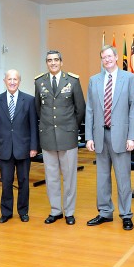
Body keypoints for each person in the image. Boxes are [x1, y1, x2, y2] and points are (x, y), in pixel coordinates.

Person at [85, 45, 134, 231]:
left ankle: (126, 214)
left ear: (116, 57)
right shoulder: (94, 80)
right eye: (103, 57)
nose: (107, 59)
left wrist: (132, 136)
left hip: (121, 136)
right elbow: (90, 110)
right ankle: (105, 212)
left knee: (123, 178)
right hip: (100, 136)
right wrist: (89, 136)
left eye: (109, 56)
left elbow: (133, 109)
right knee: (102, 178)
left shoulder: (129, 78)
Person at [34, 50, 85, 225]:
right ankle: (55, 210)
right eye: (49, 60)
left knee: (69, 177)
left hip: (68, 136)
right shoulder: (39, 82)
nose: (53, 63)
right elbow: (38, 110)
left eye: (56, 60)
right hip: (48, 136)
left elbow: (80, 109)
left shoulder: (72, 81)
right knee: (52, 176)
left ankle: (69, 212)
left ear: (61, 62)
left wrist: (71, 127)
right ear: (46, 63)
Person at [0, 69, 39, 224]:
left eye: (15, 79)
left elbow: (33, 126)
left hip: (24, 149)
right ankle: (6, 212)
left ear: (19, 81)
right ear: (4, 81)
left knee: (24, 181)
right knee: (6, 182)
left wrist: (33, 147)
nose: (12, 82)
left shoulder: (29, 100)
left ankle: (23, 211)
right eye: (9, 79)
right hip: (4, 149)